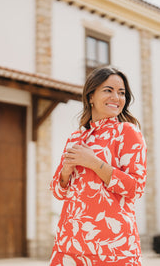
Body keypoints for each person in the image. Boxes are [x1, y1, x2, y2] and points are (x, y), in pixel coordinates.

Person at [49, 66, 147, 266]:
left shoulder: (127, 132)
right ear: (91, 96)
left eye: (121, 93)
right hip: (71, 244)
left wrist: (94, 163)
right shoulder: (75, 138)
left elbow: (136, 188)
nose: (116, 97)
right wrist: (66, 172)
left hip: (112, 247)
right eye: (108, 90)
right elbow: (58, 192)